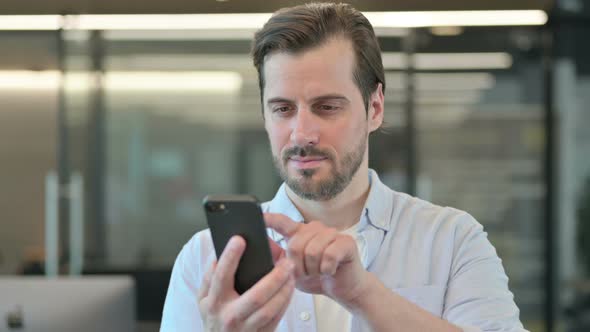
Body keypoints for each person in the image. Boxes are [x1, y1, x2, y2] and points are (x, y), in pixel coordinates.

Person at [161, 3, 527, 331]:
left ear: (375, 108)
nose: (301, 133)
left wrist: (361, 294)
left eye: (327, 107)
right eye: (283, 109)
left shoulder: (451, 240)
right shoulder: (206, 257)